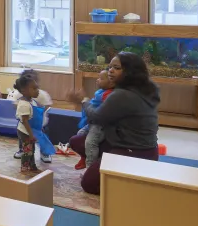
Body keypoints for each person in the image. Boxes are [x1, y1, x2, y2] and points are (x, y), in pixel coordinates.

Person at [67, 52, 160, 194]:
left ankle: (129, 181)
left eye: (116, 68)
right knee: (77, 141)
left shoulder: (122, 94)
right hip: (144, 149)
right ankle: (111, 168)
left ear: (130, 72)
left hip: (135, 151)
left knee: (88, 183)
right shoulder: (144, 89)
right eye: (110, 67)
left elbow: (97, 117)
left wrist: (83, 100)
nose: (110, 70)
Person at [9, 69, 53, 163]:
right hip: (27, 130)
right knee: (28, 150)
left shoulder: (33, 99)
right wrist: (31, 134)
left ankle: (36, 160)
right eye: (34, 88)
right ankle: (26, 166)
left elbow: (47, 105)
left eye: (37, 87)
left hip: (36, 127)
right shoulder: (24, 103)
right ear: (24, 90)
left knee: (32, 148)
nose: (37, 90)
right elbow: (25, 121)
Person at [74, 70, 113, 170]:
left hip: (99, 125)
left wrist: (85, 102)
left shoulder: (109, 94)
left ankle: (90, 167)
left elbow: (102, 112)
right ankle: (84, 157)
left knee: (90, 142)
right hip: (92, 122)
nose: (97, 80)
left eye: (101, 78)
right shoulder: (100, 92)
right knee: (80, 134)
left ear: (111, 82)